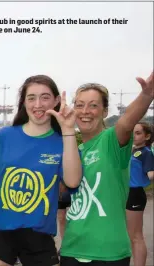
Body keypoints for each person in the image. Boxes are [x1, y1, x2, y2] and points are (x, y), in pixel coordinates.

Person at [0, 75, 82, 266]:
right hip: (0, 232)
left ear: (56, 101)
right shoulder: (4, 137)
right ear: (24, 102)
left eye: (45, 97)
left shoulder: (62, 142)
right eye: (31, 98)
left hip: (39, 234)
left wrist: (68, 130)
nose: (38, 104)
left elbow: (72, 181)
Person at [60, 72, 154, 266]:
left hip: (109, 253)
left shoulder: (111, 140)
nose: (85, 111)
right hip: (72, 249)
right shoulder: (73, 150)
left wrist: (146, 96)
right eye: (79, 105)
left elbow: (126, 123)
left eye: (93, 105)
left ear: (104, 111)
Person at [126, 121, 154, 266]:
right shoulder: (132, 150)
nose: (134, 136)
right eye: (133, 132)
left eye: (138, 133)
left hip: (136, 193)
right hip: (126, 193)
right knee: (130, 235)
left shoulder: (146, 153)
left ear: (147, 136)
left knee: (136, 236)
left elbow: (151, 174)